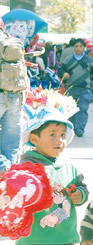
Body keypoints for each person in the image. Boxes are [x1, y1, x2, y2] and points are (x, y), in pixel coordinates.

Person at [16, 105, 89, 245]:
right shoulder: (26, 168)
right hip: (34, 240)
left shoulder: (70, 167)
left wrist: (80, 194)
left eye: (62, 135)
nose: (59, 140)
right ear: (34, 139)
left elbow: (82, 187)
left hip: (66, 238)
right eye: (52, 134)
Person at [58, 38, 93, 137]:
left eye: (80, 46)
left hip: (85, 89)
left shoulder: (89, 60)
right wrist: (64, 73)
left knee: (83, 108)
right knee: (70, 109)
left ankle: (79, 129)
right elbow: (60, 70)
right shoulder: (68, 59)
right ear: (74, 47)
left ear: (84, 48)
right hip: (71, 88)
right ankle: (71, 127)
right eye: (76, 46)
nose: (78, 48)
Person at [0, 18, 24, 173]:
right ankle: (10, 174)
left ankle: (3, 167)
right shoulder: (12, 42)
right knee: (12, 140)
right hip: (15, 96)